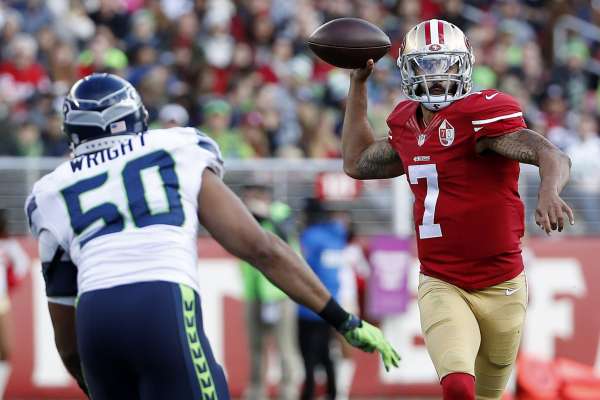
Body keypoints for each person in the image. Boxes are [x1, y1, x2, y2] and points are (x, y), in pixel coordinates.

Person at [24, 73, 400, 400]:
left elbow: (66, 333)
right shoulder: (175, 147)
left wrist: (97, 383)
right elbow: (261, 248)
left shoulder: (50, 190)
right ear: (137, 117)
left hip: (95, 321)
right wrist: (342, 319)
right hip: (160, 301)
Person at [341, 20, 573, 400]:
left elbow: (550, 153)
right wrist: (358, 86)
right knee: (459, 388)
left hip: (503, 284)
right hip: (442, 281)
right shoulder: (404, 123)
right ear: (407, 71)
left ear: (464, 66)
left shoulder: (482, 115)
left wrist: (548, 191)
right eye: (424, 66)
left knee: (487, 395)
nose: (435, 77)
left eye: (445, 65)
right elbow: (357, 161)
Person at [240, 183, 298, 400]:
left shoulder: (280, 212)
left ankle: (288, 391)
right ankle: (256, 391)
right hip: (253, 291)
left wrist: (266, 216)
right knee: (255, 346)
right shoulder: (243, 214)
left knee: (285, 347)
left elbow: (287, 233)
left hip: (280, 291)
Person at [297, 198, 348, 400]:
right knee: (327, 354)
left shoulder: (310, 237)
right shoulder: (336, 236)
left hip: (309, 306)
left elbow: (302, 268)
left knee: (308, 357)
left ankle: (308, 395)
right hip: (332, 304)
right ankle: (333, 393)